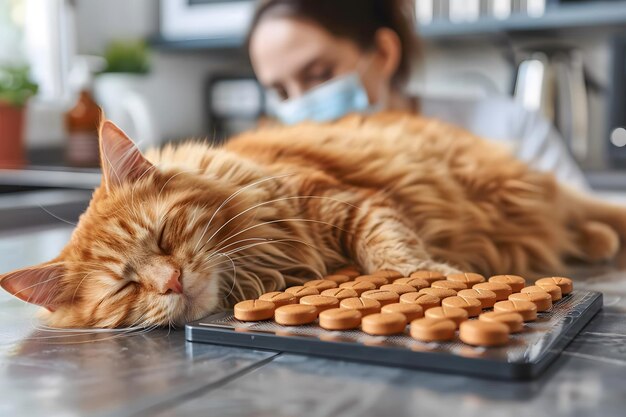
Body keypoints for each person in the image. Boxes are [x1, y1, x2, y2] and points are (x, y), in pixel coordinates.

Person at [246, 0, 588, 189]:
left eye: (319, 74)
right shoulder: (288, 176)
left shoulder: (508, 127)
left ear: (382, 53)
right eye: (280, 91)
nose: (300, 106)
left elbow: (596, 238)